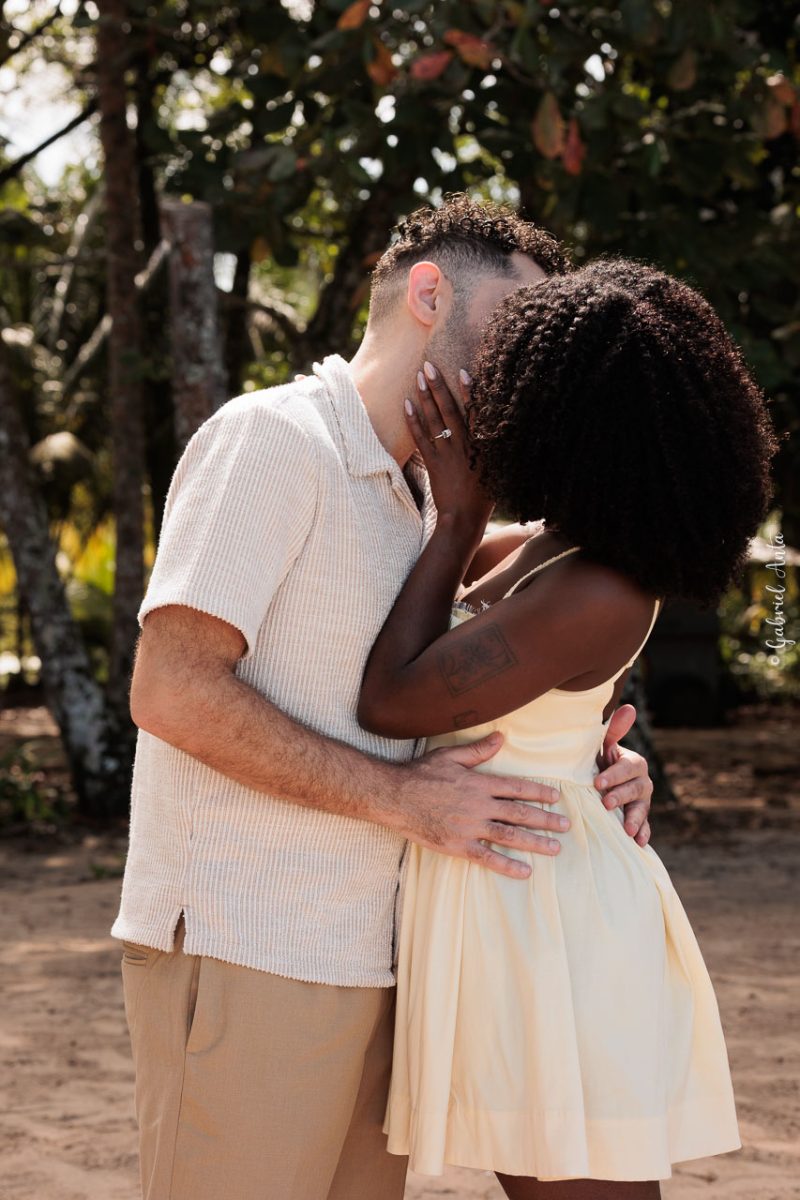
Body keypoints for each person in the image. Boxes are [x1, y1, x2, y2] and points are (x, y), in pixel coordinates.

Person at [111, 198, 656, 1200]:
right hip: (249, 947)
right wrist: (402, 800)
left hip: (385, 961)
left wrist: (595, 760)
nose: (530, 353)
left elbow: (537, 643)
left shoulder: (434, 497)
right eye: (516, 321)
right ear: (427, 293)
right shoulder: (272, 440)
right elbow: (170, 690)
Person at [357, 258, 778, 1199]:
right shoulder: (552, 544)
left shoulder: (601, 588)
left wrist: (458, 518)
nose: (489, 391)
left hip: (554, 920)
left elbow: (389, 699)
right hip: (518, 896)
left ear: (569, 417)